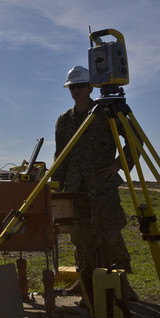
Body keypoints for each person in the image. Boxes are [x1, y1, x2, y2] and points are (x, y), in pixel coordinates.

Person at [53, 66, 134, 290]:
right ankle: (84, 281)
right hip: (76, 188)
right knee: (80, 237)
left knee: (110, 232)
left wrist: (118, 165)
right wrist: (59, 187)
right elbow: (61, 156)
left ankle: (122, 284)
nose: (76, 91)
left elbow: (135, 141)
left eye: (80, 86)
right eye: (72, 87)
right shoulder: (64, 120)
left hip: (102, 185)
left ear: (91, 87)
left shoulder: (107, 113)